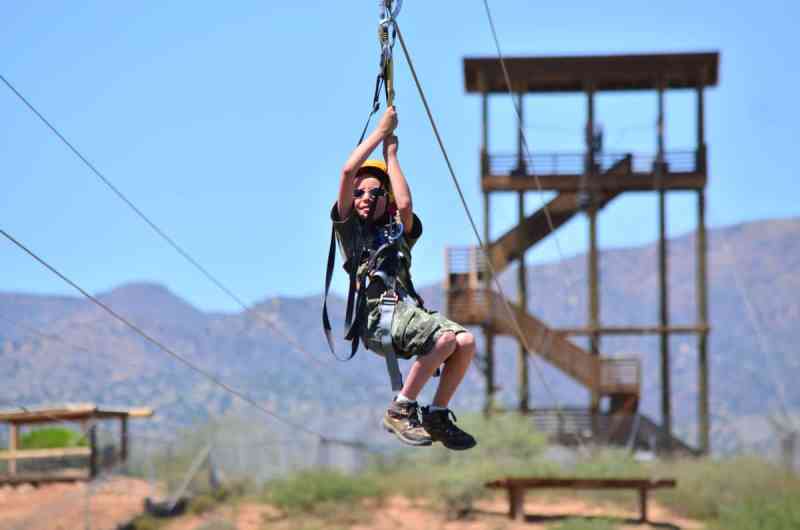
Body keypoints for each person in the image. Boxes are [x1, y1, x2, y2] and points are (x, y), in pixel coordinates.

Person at [330, 106, 477, 451]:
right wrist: (381, 134)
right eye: (360, 193)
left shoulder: (398, 232)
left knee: (465, 341)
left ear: (388, 200)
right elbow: (348, 170)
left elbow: (406, 203)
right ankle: (401, 407)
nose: (364, 198)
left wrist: (391, 157)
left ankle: (436, 413)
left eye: (374, 193)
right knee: (443, 340)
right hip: (375, 316)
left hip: (403, 312)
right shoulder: (350, 232)